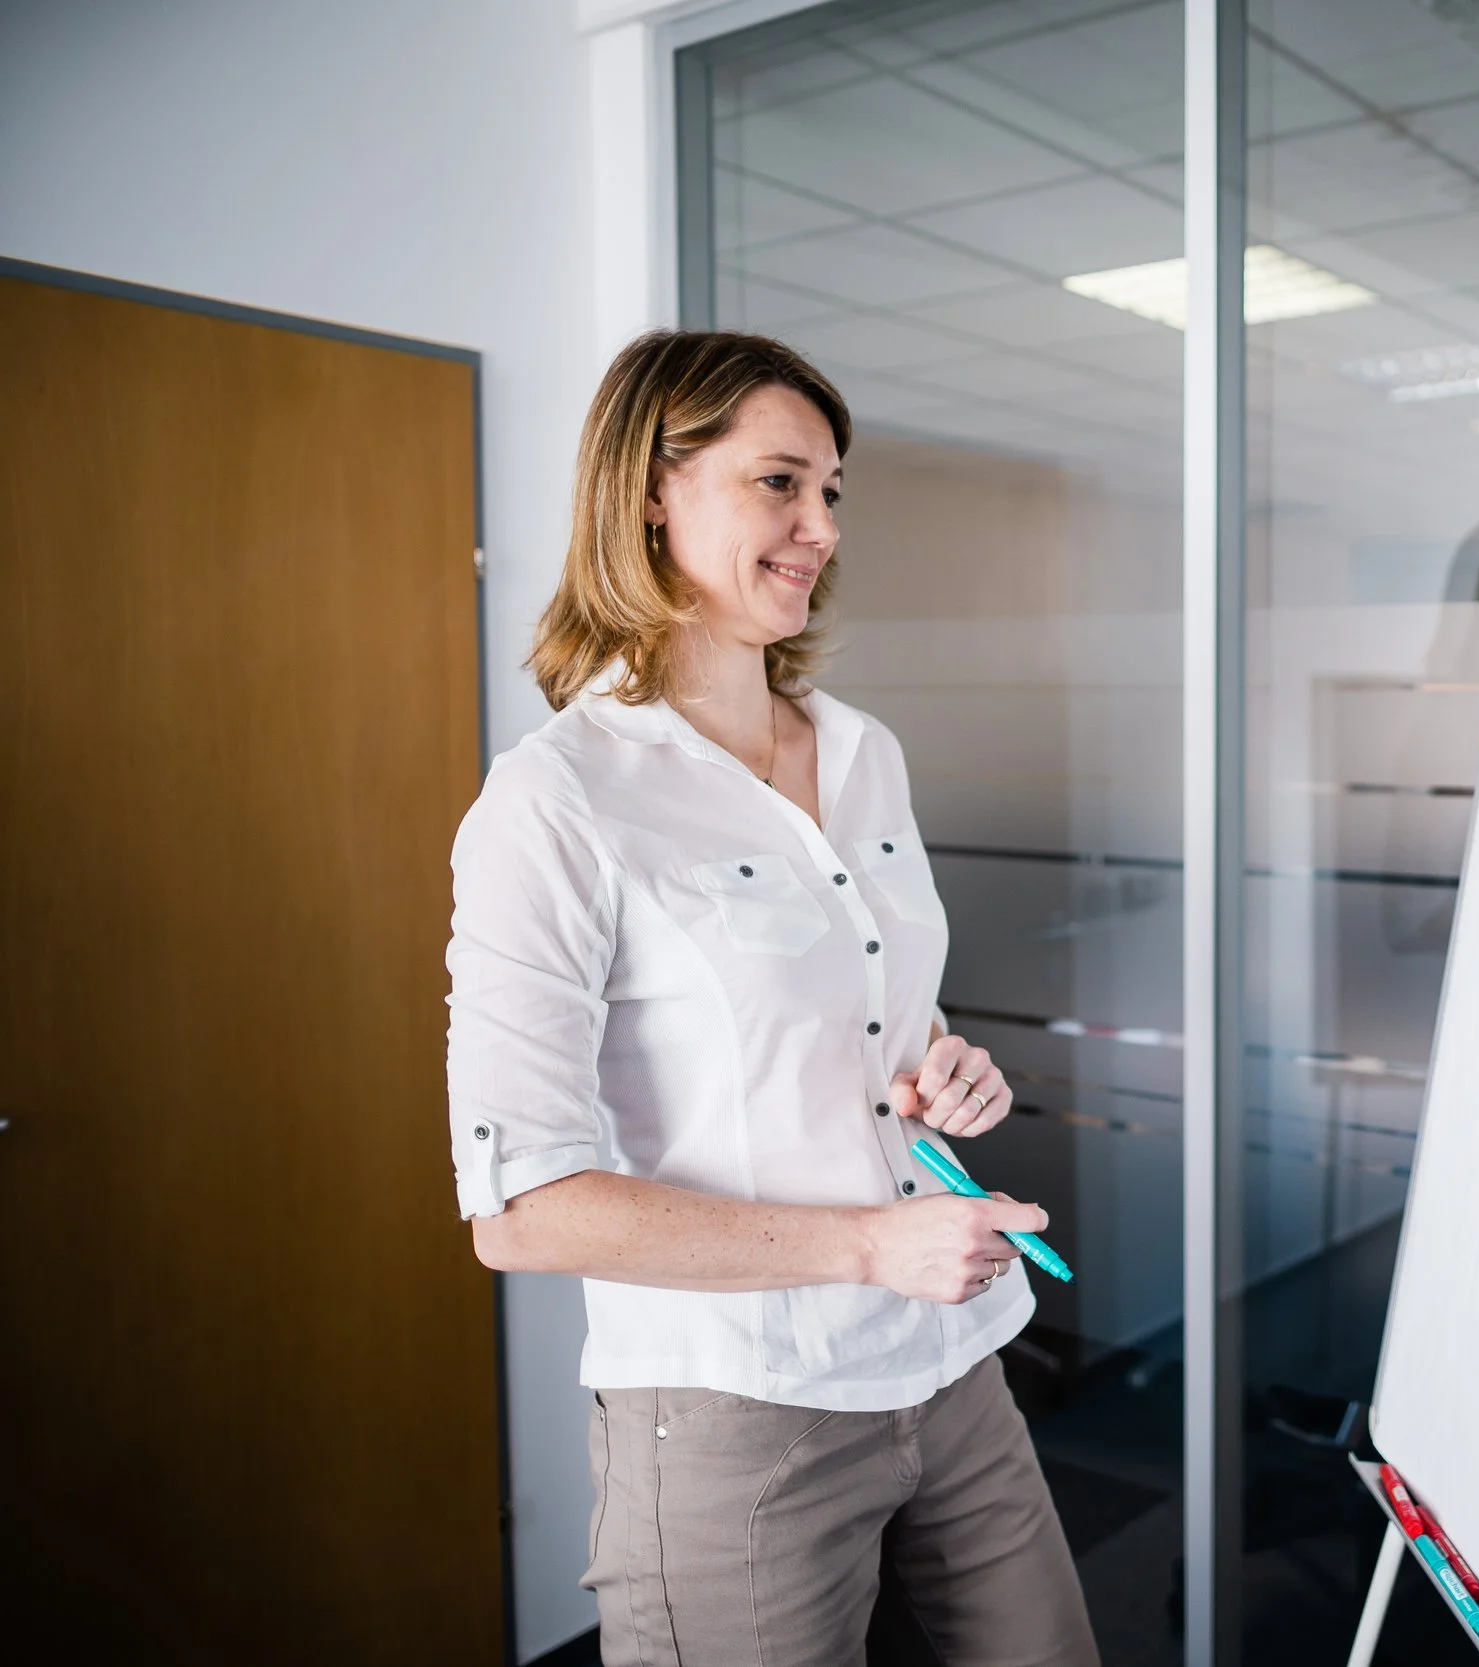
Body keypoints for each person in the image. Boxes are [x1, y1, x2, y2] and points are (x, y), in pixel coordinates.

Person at [444, 330, 1098, 1666]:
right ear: (650, 491)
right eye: (781, 483)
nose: (820, 528)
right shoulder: (558, 799)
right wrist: (865, 1243)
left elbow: (871, 1022)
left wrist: (938, 1068)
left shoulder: (862, 753)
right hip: (739, 1409)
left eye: (833, 493)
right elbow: (519, 1210)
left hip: (950, 1357)